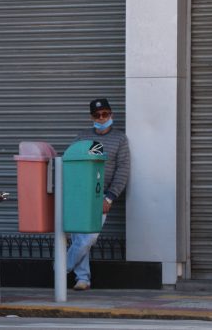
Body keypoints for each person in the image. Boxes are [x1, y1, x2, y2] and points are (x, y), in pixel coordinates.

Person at [66, 98, 130, 291]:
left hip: (99, 195)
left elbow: (123, 169)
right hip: (78, 195)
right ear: (91, 117)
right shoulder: (83, 137)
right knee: (79, 239)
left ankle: (60, 270)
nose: (102, 118)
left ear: (111, 115)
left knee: (88, 238)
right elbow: (70, 161)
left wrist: (110, 196)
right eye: (97, 115)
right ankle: (83, 278)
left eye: (105, 114)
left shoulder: (120, 139)